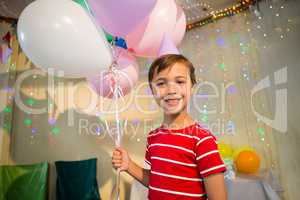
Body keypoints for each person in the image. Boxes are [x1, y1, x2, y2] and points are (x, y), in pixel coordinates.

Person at [112, 54, 227, 199]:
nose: (171, 90)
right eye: (161, 83)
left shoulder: (202, 140)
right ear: (152, 91)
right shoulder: (153, 137)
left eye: (180, 81)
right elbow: (156, 181)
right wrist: (129, 165)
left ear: (192, 87)